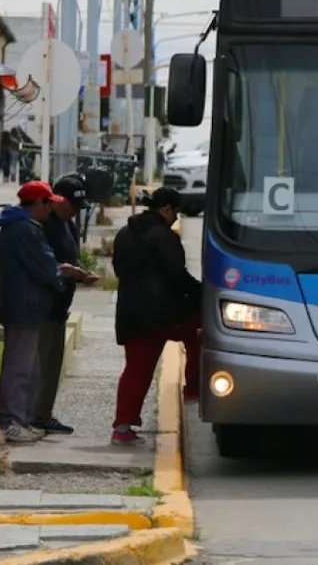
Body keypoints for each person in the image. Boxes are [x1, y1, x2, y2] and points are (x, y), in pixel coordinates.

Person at [0, 181, 87, 445]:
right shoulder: (25, 230)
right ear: (37, 203)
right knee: (19, 367)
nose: (50, 208)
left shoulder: (23, 228)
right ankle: (11, 421)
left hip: (27, 307)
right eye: (47, 202)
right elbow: (45, 267)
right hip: (25, 307)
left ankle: (20, 420)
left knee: (29, 367)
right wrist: (67, 271)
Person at [111, 187, 202, 445]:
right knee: (202, 332)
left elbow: (119, 269)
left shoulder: (125, 234)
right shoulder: (164, 237)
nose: (176, 219)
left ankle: (122, 427)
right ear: (166, 209)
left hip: (131, 315)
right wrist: (203, 295)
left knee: (136, 370)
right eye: (176, 213)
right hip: (166, 314)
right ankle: (193, 391)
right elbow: (177, 277)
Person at [32, 175, 98, 435]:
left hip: (60, 306)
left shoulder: (68, 225)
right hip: (43, 305)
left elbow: (73, 257)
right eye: (69, 205)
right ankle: (33, 414)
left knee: (52, 365)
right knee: (39, 364)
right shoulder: (43, 225)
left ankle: (43, 414)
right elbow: (44, 265)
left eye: (76, 208)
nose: (72, 211)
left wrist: (82, 271)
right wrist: (68, 272)